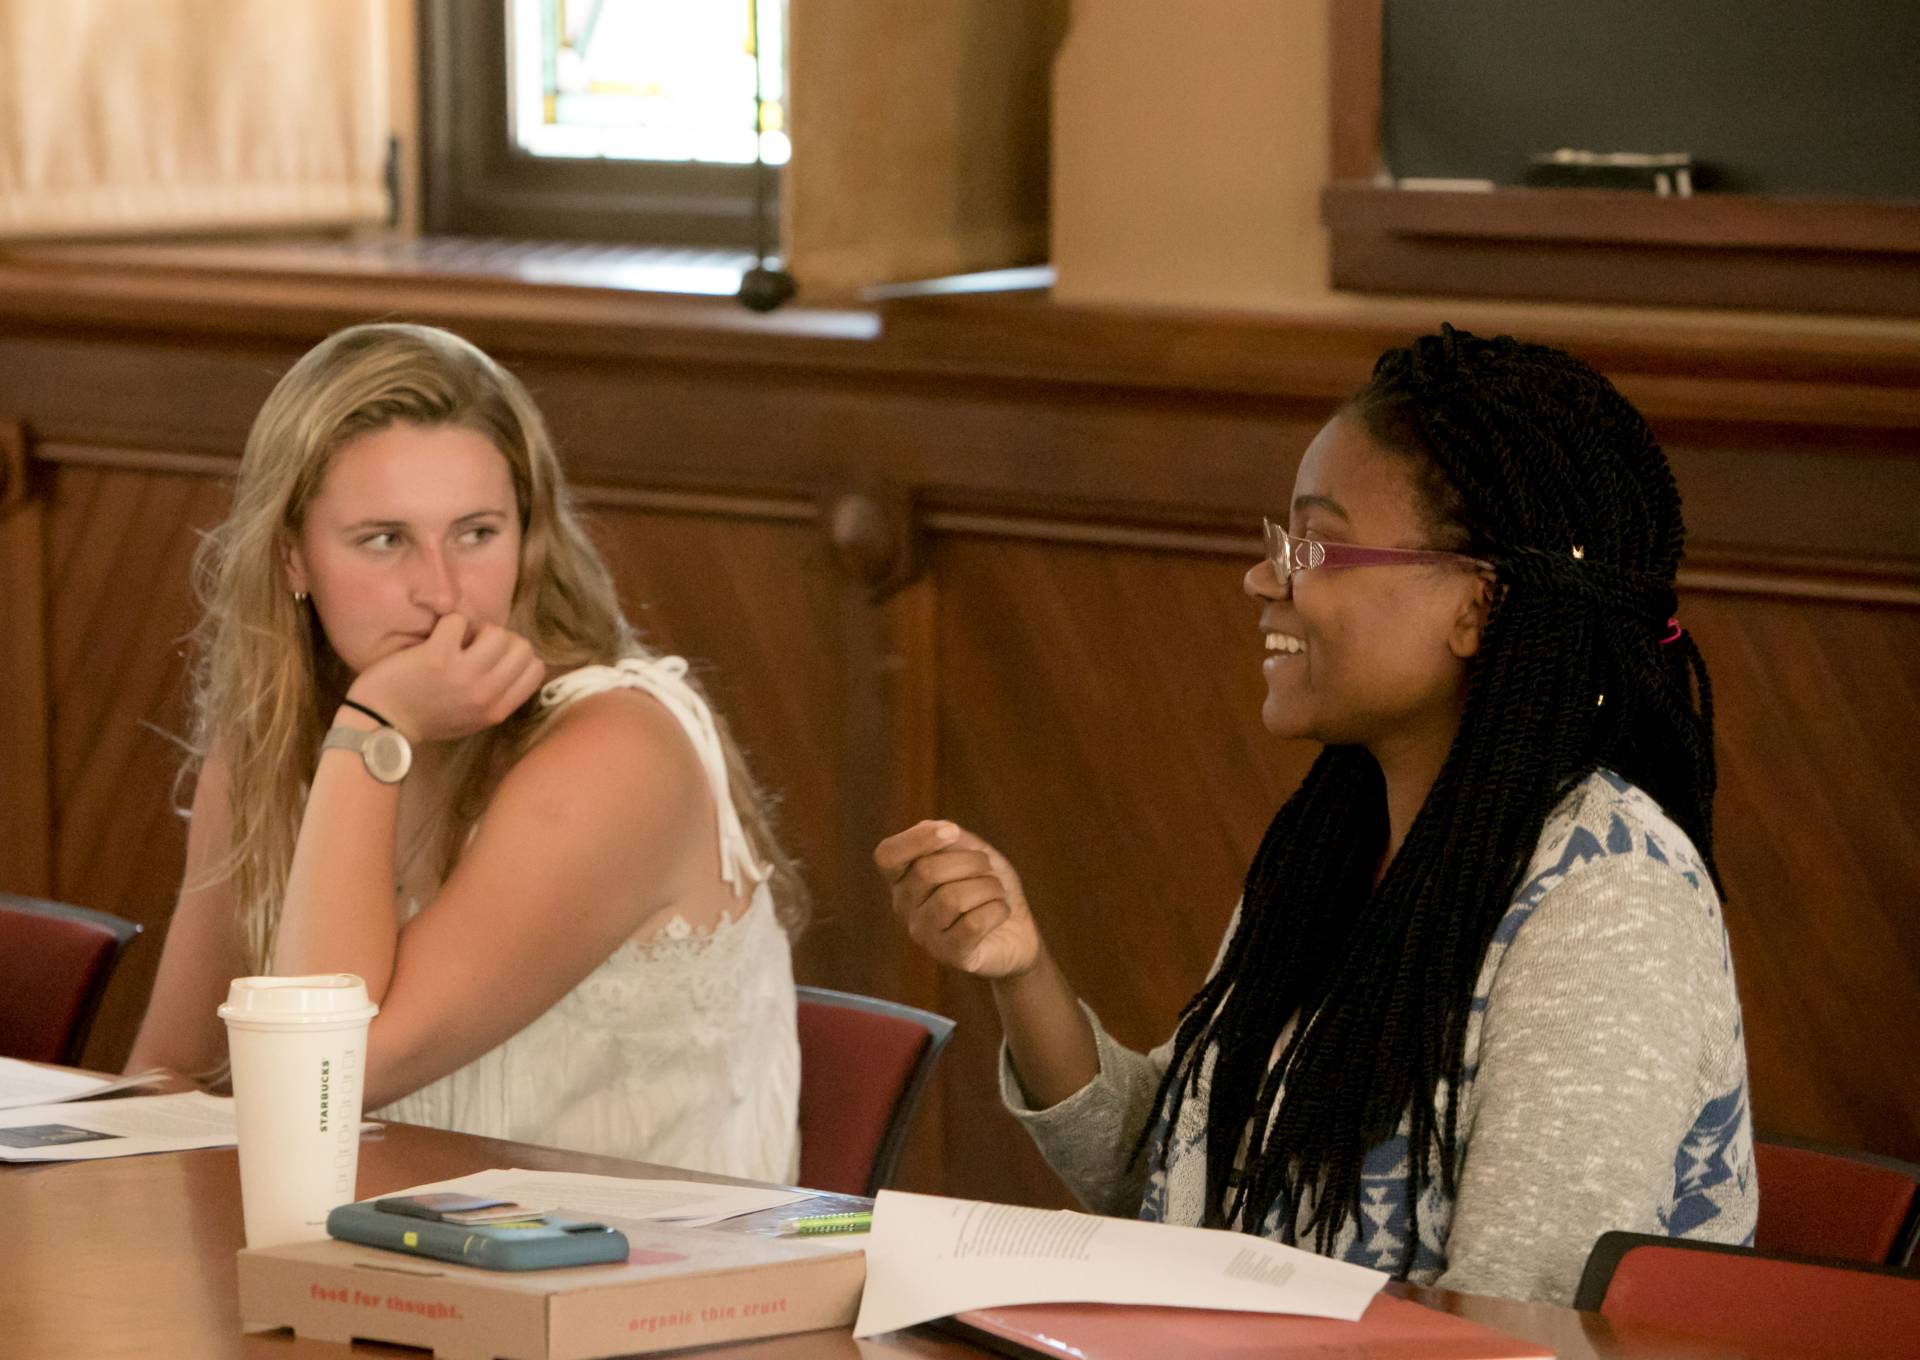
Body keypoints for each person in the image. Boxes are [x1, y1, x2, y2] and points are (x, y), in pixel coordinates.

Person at [876, 325, 1755, 1305]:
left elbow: (1514, 1324)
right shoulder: (1347, 842)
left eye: (1316, 545)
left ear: (1478, 604)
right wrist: (1021, 968)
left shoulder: (1609, 904)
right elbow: (1164, 1183)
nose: (1266, 578)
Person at [127, 322, 808, 1183]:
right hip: (372, 1270)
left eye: (477, 533)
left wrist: (373, 730)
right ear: (292, 554)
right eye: (385, 539)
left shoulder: (615, 753)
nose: (441, 591)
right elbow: (168, 1076)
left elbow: (331, 1079)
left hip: (641, 1297)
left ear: (529, 540)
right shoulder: (273, 746)